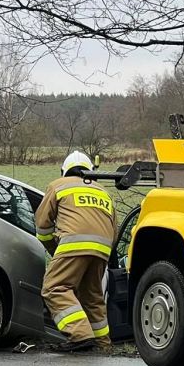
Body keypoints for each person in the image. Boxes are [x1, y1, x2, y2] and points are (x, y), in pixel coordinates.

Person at [35, 151, 117, 352]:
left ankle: (80, 334)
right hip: (103, 248)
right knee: (92, 297)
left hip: (73, 244)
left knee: (54, 288)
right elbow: (114, 230)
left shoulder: (58, 186)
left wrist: (56, 251)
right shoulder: (103, 192)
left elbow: (43, 227)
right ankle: (103, 344)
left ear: (64, 170)